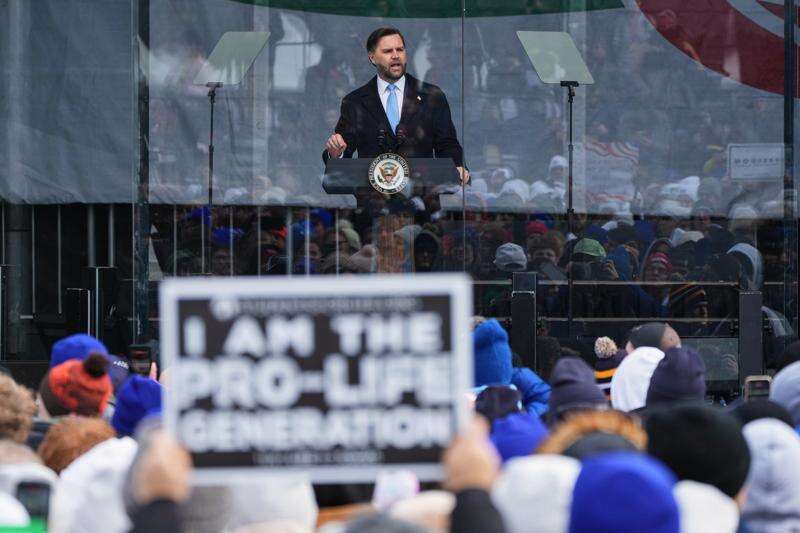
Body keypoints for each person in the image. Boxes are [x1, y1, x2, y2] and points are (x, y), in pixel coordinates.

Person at [322, 27, 469, 184]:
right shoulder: (355, 102)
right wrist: (336, 153)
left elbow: (447, 144)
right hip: (373, 195)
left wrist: (457, 166)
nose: (395, 55)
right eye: (387, 51)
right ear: (372, 57)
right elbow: (342, 150)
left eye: (400, 49)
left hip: (422, 194)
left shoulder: (431, 95)